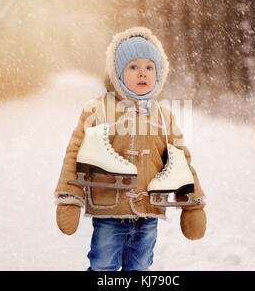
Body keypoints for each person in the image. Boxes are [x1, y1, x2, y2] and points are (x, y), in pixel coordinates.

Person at [54, 26, 206, 271]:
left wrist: (192, 205)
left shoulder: (163, 116)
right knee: (103, 265)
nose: (142, 73)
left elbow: (180, 161)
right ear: (117, 72)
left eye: (149, 67)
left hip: (148, 212)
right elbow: (75, 154)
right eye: (133, 67)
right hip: (109, 211)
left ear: (158, 74)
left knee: (140, 266)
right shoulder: (98, 110)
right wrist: (69, 198)